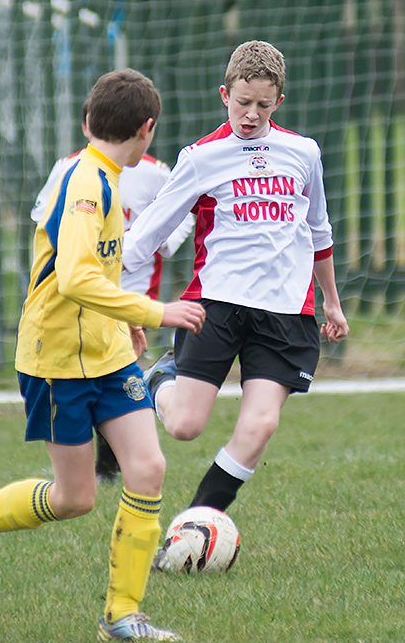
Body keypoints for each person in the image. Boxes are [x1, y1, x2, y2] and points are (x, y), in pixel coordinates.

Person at [0, 69, 206, 642]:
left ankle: (122, 617)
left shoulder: (101, 174)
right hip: (56, 362)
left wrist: (122, 322)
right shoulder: (87, 187)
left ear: (88, 121)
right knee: (74, 498)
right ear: (147, 130)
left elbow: (97, 274)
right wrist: (154, 312)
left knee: (148, 467)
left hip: (104, 353)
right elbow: (78, 277)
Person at [121, 40, 349, 569]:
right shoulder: (201, 158)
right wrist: (104, 285)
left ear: (279, 103)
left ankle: (191, 533)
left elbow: (318, 232)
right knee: (184, 427)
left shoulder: (304, 152)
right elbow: (146, 235)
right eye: (242, 102)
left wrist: (330, 303)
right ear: (225, 94)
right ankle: (161, 378)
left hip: (287, 314)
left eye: (263, 106)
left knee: (260, 426)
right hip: (216, 307)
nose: (250, 115)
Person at [32, 104, 195, 483]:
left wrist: (153, 243)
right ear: (86, 124)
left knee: (121, 372)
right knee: (98, 375)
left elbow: (183, 212)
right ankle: (103, 464)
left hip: (131, 293)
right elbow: (46, 226)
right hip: (79, 299)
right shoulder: (69, 171)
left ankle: (109, 464)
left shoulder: (154, 173)